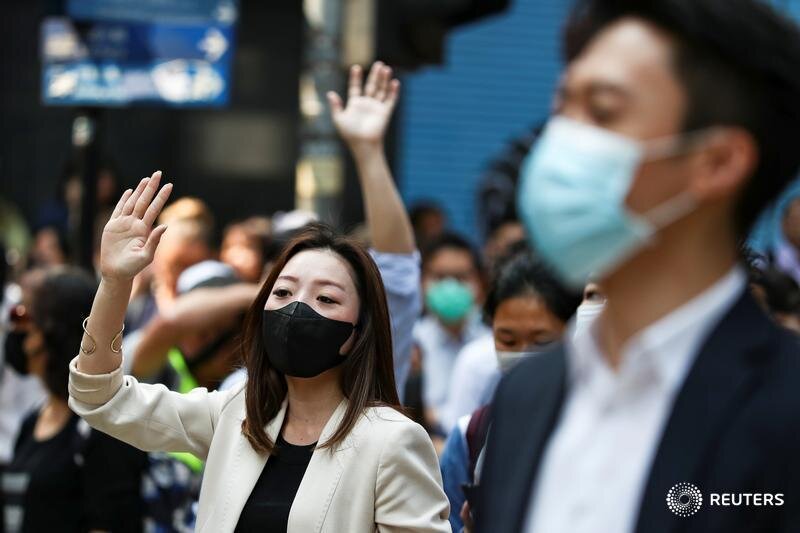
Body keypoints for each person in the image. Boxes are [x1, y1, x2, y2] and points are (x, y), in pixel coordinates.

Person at [69, 71, 450, 533]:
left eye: (326, 298)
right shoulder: (234, 416)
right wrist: (114, 282)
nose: (296, 308)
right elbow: (100, 400)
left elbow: (400, 272)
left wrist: (368, 152)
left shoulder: (392, 441)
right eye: (283, 292)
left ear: (356, 333)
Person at [475, 1, 800, 532]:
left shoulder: (786, 410)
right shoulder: (526, 396)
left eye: (602, 112)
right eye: (563, 108)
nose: (559, 140)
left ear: (717, 162)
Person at [439, 250, 581, 531]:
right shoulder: (470, 436)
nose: (523, 353)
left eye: (541, 341)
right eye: (507, 340)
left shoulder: (597, 425)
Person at [3, 267, 145, 533]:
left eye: (24, 319)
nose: (18, 335)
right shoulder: (31, 421)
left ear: (53, 335)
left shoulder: (104, 428)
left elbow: (110, 522)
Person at [414, 233, 490, 435]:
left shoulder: (494, 343)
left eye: (461, 277)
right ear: (421, 281)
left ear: (480, 282)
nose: (450, 287)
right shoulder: (410, 345)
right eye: (439, 277)